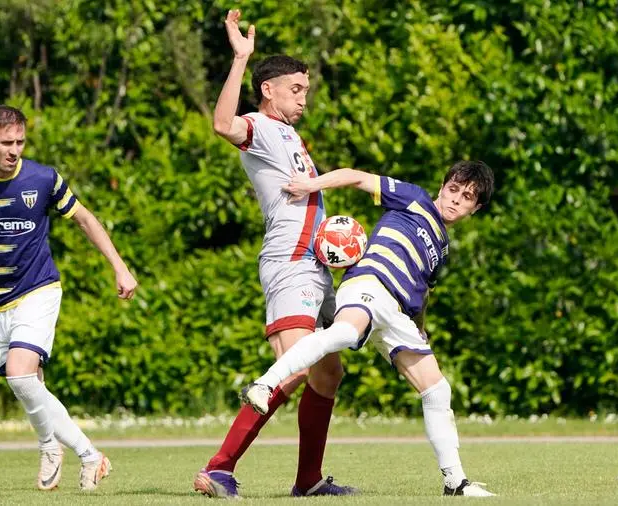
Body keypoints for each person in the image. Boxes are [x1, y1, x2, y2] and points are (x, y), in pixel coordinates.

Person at [241, 161, 497, 497]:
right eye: (453, 189)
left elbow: (424, 292)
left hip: (396, 313)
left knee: (437, 390)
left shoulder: (442, 248)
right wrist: (310, 185)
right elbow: (356, 177)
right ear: (443, 185)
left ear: (475, 208)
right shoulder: (414, 199)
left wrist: (420, 329)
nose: (455, 200)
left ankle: (456, 483)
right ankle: (264, 384)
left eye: (466, 198)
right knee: (346, 333)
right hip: (369, 283)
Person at [0, 105, 138, 491]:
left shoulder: (43, 178)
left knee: (19, 373)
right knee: (30, 386)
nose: (14, 150)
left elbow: (85, 219)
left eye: (20, 142)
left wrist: (119, 266)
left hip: (38, 289)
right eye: (6, 143)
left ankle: (50, 447)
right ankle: (91, 456)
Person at [193, 9, 355, 498]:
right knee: (297, 368)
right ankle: (219, 467)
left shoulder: (289, 134)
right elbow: (223, 124)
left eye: (305, 90)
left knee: (329, 371)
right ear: (269, 90)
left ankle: (307, 481)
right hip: (291, 261)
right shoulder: (260, 127)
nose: (304, 98)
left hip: (315, 262)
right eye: (296, 89)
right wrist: (241, 58)